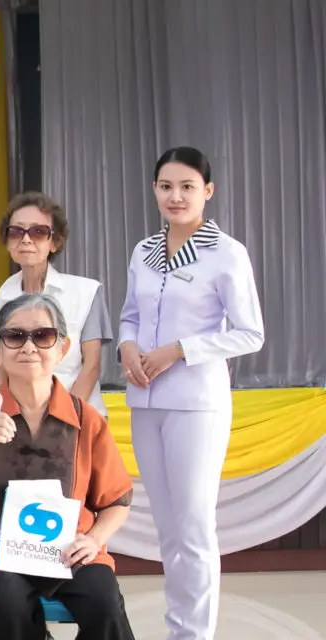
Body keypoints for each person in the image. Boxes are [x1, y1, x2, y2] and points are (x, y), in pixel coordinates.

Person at [119, 147, 264, 640]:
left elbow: (250, 334)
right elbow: (129, 314)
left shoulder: (227, 253)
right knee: (168, 531)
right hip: (145, 402)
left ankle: (193, 635)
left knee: (195, 529)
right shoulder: (144, 250)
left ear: (208, 191)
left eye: (186, 187)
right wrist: (128, 346)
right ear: (154, 190)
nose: (175, 196)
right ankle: (176, 629)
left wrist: (181, 348)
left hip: (197, 404)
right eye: (165, 186)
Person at [0, 294, 135, 640]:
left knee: (103, 602)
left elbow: (117, 501)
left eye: (42, 336)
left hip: (67, 549)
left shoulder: (87, 419)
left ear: (62, 348)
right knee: (10, 604)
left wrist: (93, 539)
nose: (28, 347)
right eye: (15, 336)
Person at [0, 192, 112, 415]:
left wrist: (64, 416)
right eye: (16, 232)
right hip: (20, 421)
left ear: (55, 242)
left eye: (38, 232)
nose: (26, 239)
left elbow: (91, 367)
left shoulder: (86, 292)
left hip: (80, 415)